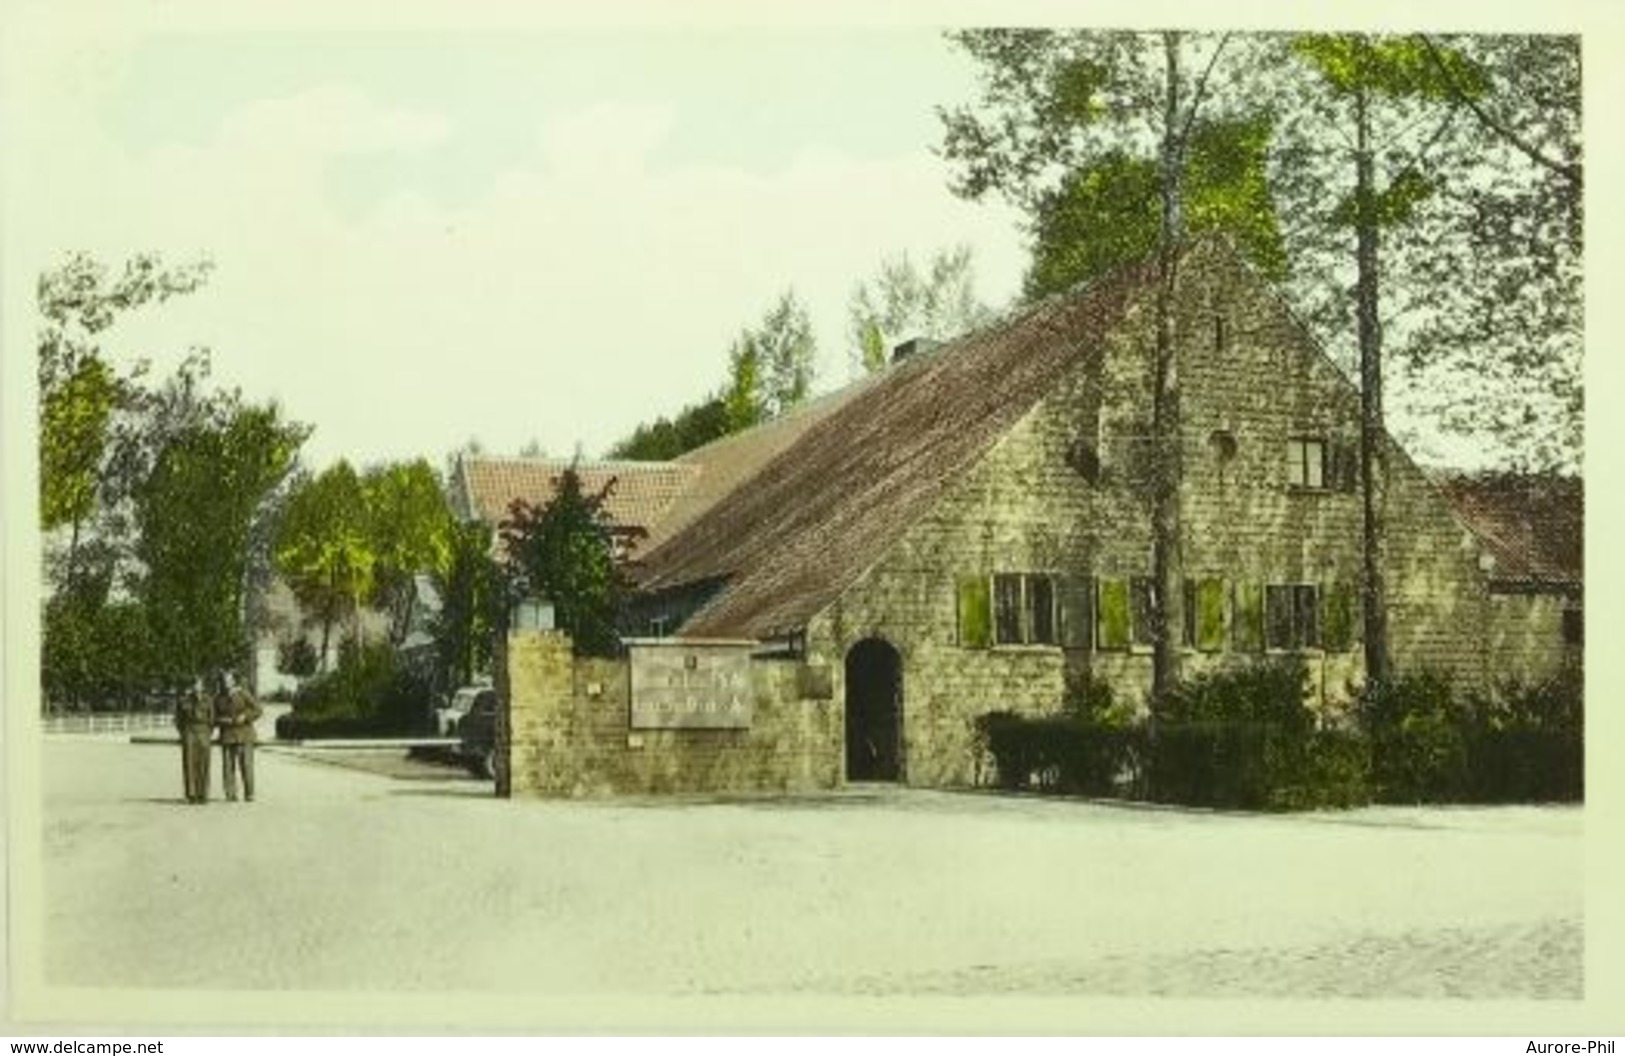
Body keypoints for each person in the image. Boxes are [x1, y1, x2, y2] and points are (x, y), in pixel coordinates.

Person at [214, 671, 263, 802]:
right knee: (228, 767)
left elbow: (258, 709)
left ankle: (249, 793)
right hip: (227, 736)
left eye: (228, 680)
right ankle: (230, 794)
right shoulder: (219, 698)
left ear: (233, 681)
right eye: (224, 680)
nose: (226, 683)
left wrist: (245, 716)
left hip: (245, 735)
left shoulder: (243, 693)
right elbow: (213, 717)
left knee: (246, 766)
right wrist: (223, 720)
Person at [174, 677, 215, 804]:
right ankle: (191, 794)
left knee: (204, 764)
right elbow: (178, 719)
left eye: (198, 685)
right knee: (189, 763)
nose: (196, 687)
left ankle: (203, 794)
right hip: (189, 732)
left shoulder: (208, 699)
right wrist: (183, 733)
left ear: (202, 686)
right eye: (194, 685)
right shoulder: (184, 700)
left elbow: (212, 718)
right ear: (191, 687)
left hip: (204, 732)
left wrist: (208, 733)